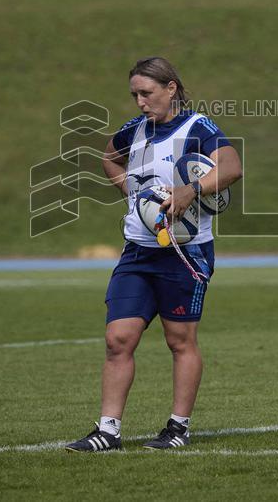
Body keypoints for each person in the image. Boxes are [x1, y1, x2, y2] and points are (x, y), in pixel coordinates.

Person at [66, 57, 243, 451]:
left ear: (171, 89)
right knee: (118, 339)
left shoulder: (198, 128)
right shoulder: (135, 130)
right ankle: (108, 431)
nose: (140, 102)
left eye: (146, 93)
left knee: (180, 340)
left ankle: (178, 428)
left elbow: (231, 167)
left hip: (185, 253)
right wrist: (132, 194)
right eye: (134, 95)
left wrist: (190, 191)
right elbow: (109, 157)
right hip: (137, 252)